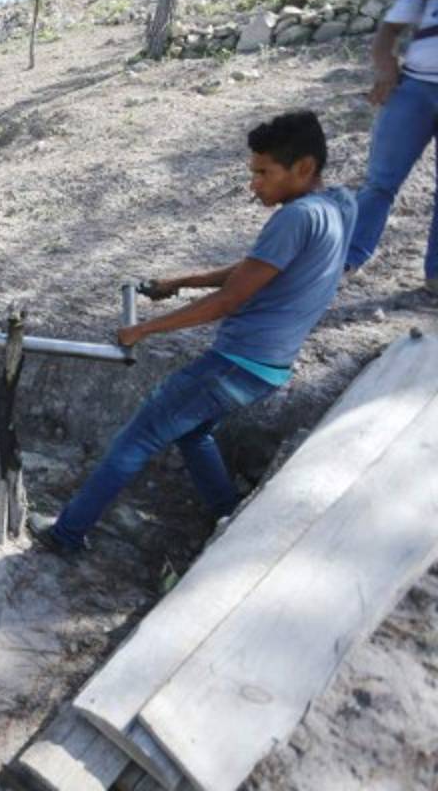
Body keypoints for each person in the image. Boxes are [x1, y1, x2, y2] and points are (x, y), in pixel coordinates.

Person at [30, 111, 357, 557]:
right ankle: (227, 512)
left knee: (138, 436)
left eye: (263, 173)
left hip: (236, 362)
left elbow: (229, 301)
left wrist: (142, 330)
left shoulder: (294, 218)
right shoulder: (338, 206)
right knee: (191, 432)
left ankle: (66, 534)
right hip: (269, 367)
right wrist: (181, 281)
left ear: (303, 168)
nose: (254, 185)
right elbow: (254, 271)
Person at [344, 0, 438, 296]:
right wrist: (386, 68)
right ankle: (344, 261)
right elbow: (387, 33)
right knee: (380, 181)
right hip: (414, 89)